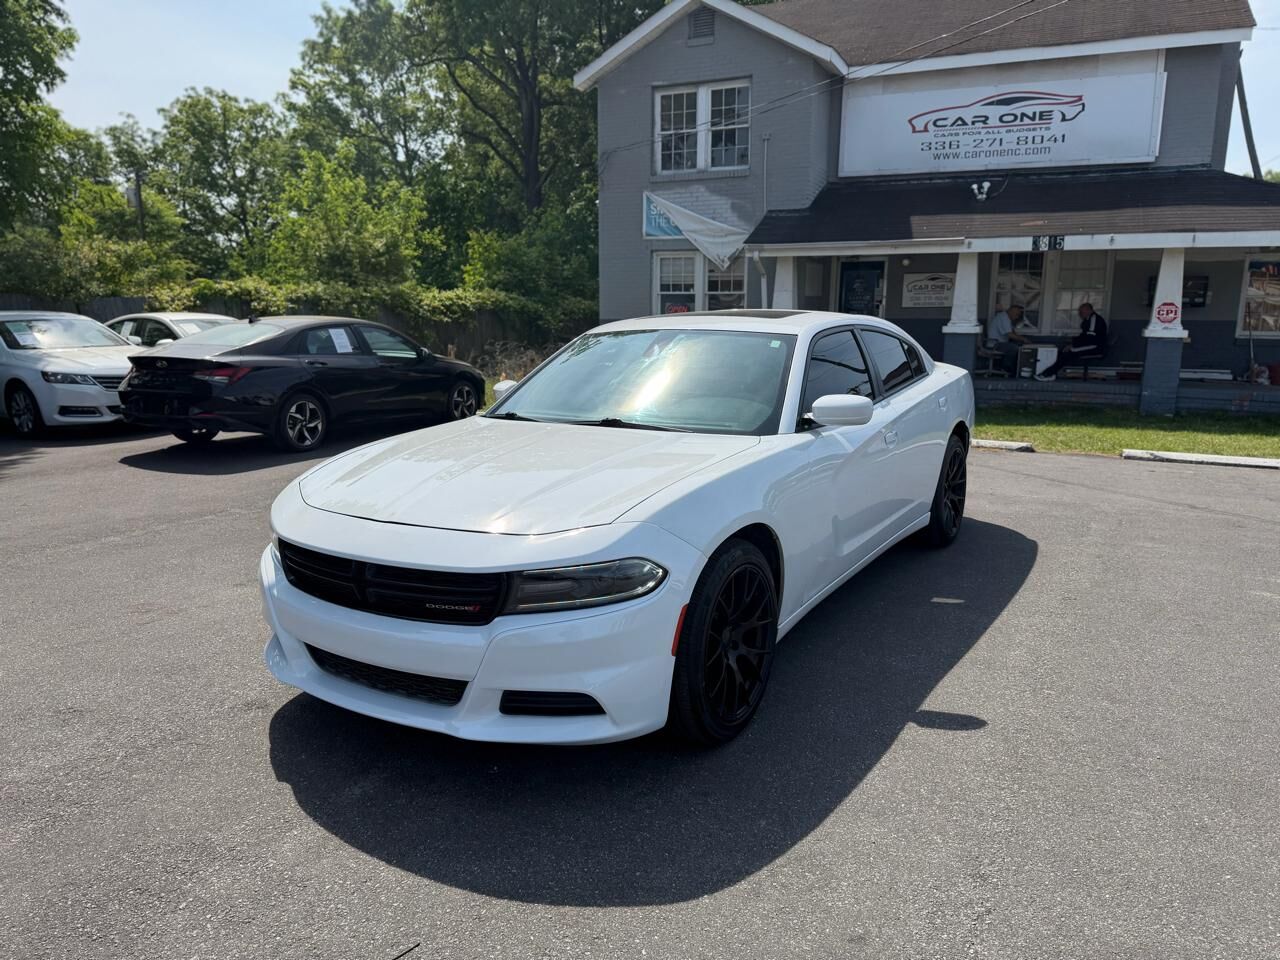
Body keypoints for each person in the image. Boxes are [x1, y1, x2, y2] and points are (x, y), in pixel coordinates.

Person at [1037, 303, 1108, 380]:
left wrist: (1074, 344)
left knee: (1070, 352)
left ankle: (1047, 374)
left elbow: (1090, 338)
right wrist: (1073, 340)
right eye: (1080, 312)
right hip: (1090, 344)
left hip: (1096, 347)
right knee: (1062, 351)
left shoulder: (1094, 319)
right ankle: (1051, 373)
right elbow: (1084, 336)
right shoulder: (1087, 319)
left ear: (1089, 310)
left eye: (1082, 312)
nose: (1080, 314)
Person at [986, 303, 1029, 374]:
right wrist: (1023, 339)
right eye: (1016, 314)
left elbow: (1013, 332)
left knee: (1017, 345)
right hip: (995, 344)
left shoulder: (1007, 318)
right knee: (1013, 348)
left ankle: (1013, 368)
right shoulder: (1003, 317)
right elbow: (1010, 334)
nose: (1017, 316)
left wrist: (1021, 339)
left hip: (1000, 343)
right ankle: (1005, 368)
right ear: (1012, 311)